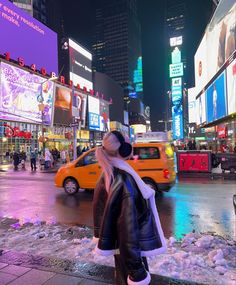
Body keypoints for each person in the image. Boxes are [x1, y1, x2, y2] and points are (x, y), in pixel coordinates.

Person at [93, 131, 166, 285]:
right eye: (128, 142)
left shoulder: (108, 173)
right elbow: (128, 230)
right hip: (130, 253)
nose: (130, 145)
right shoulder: (124, 179)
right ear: (123, 149)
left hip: (120, 250)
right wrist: (137, 271)